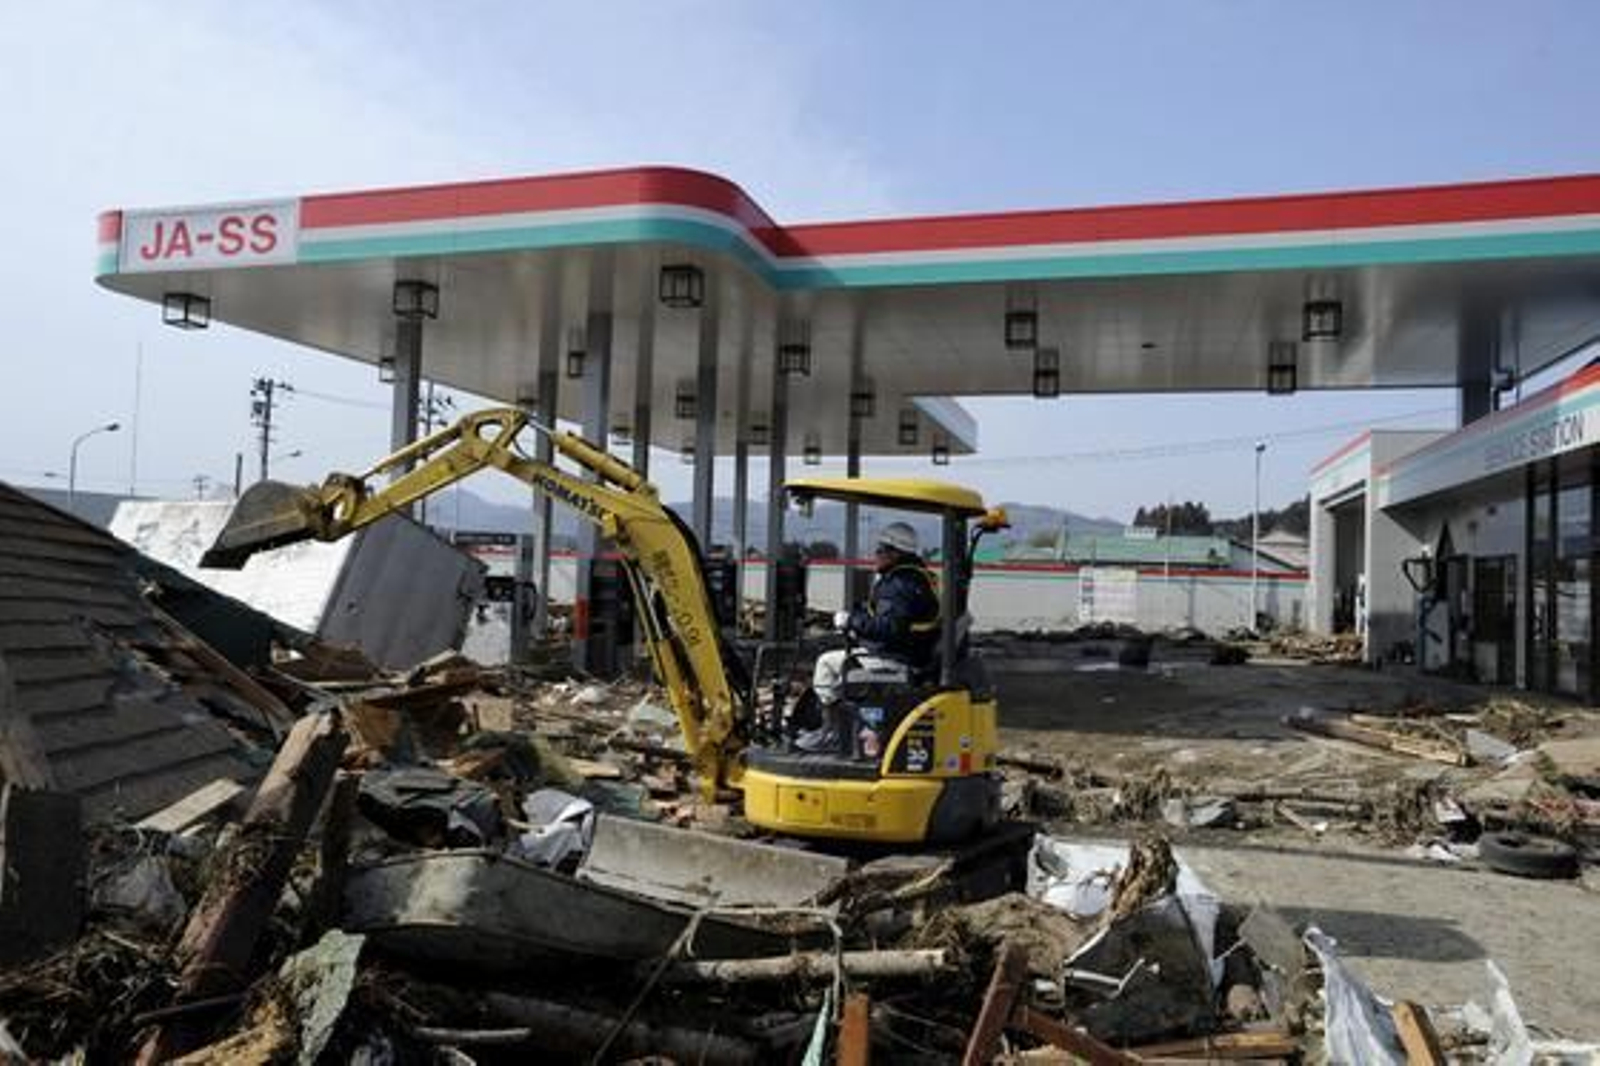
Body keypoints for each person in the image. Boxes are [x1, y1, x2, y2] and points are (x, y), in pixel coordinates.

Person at [796, 522, 940, 753]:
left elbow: (890, 627)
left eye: (880, 549)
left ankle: (831, 732)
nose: (876, 555)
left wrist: (851, 621)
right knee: (840, 659)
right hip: (909, 653)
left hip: (897, 659)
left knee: (826, 663)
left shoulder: (898, 584)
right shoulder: (918, 578)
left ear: (895, 552)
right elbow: (887, 618)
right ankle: (844, 726)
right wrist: (857, 619)